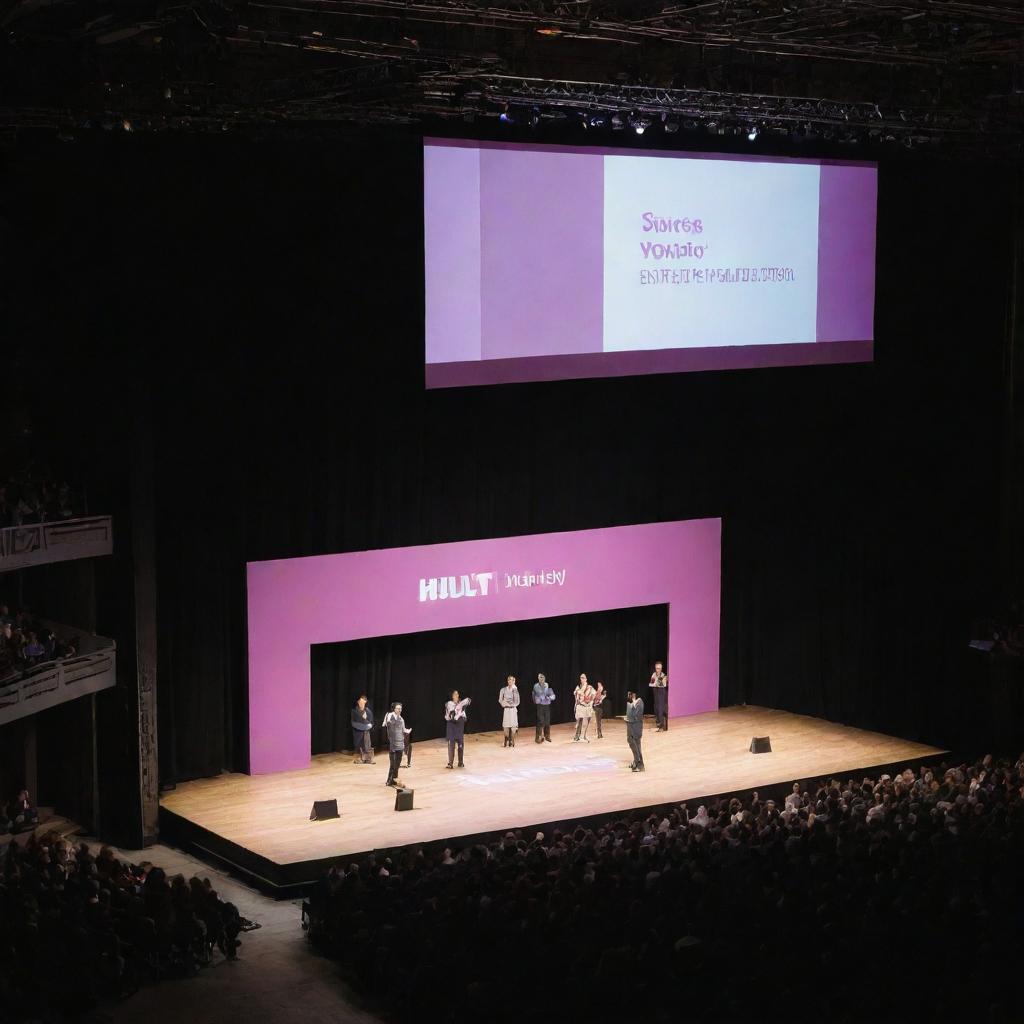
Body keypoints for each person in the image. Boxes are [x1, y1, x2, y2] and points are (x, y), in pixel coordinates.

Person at [382, 702, 410, 787]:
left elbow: (403, 729)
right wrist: (388, 718)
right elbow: (386, 724)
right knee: (393, 764)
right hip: (393, 744)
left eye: (400, 709)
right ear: (394, 709)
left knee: (397, 764)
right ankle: (389, 780)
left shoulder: (401, 719)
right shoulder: (390, 715)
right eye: (398, 708)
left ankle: (394, 779)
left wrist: (407, 731)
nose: (399, 710)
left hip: (400, 743)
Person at [444, 690, 472, 768]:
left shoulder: (461, 705)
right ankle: (450, 763)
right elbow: (451, 714)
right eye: (455, 694)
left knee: (460, 745)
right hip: (451, 726)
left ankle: (460, 762)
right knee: (451, 745)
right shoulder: (449, 703)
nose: (456, 695)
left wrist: (462, 713)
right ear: (452, 696)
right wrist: (461, 706)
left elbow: (465, 717)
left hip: (459, 726)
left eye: (457, 694)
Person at [350, 694, 375, 764]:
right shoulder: (354, 711)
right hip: (358, 732)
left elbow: (371, 723)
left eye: (363, 702)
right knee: (359, 745)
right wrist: (364, 724)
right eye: (360, 702)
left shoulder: (368, 711)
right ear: (358, 702)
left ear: (365, 702)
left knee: (367, 745)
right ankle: (360, 759)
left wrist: (367, 724)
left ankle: (368, 759)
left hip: (366, 732)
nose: (361, 703)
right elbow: (353, 723)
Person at [532, 673, 556, 743]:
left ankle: (547, 736)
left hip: (547, 706)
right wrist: (542, 698)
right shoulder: (536, 686)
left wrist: (549, 697)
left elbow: (553, 695)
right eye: (540, 677)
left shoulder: (547, 685)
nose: (541, 679)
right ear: (538, 678)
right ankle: (538, 737)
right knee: (540, 721)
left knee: (547, 721)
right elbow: (537, 695)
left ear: (545, 678)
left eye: (543, 677)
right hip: (540, 706)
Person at [573, 673, 595, 742]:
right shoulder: (578, 687)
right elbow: (576, 697)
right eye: (581, 678)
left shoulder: (589, 687)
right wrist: (576, 705)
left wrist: (590, 701)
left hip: (587, 707)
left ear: (586, 679)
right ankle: (577, 736)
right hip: (580, 706)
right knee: (579, 721)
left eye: (583, 678)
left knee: (586, 722)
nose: (582, 679)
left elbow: (594, 694)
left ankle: (584, 736)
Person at [625, 691, 644, 771]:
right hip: (632, 726)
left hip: (636, 727)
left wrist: (628, 719)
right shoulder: (633, 703)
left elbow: (635, 716)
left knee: (635, 744)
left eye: (629, 694)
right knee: (635, 744)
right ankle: (638, 763)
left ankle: (638, 763)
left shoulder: (639, 702)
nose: (628, 696)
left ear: (633, 695)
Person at [499, 675, 520, 747]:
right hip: (506, 709)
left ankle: (512, 739)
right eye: (509, 680)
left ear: (514, 681)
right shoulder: (503, 689)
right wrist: (505, 703)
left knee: (513, 725)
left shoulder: (515, 690)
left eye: (511, 680)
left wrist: (511, 703)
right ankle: (506, 738)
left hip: (513, 710)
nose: (510, 681)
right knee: (506, 725)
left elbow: (517, 701)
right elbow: (500, 700)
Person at [649, 661, 668, 731]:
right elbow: (651, 684)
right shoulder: (654, 675)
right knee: (656, 708)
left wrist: (657, 683)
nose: (658, 670)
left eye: (659, 668)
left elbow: (664, 685)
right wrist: (655, 683)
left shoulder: (663, 675)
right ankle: (658, 724)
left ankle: (661, 726)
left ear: (661, 668)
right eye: (657, 668)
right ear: (655, 668)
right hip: (655, 693)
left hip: (661, 693)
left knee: (661, 709)